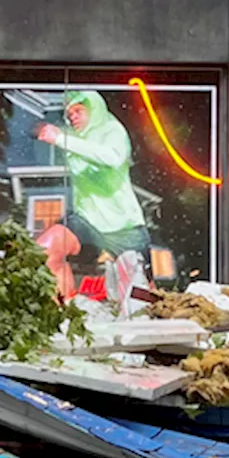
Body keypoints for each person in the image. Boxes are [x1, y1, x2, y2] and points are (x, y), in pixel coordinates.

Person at [34, 90, 151, 302]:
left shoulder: (111, 130)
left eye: (78, 110)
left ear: (95, 109)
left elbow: (113, 157)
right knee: (46, 250)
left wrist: (60, 138)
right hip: (86, 220)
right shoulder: (73, 139)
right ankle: (62, 314)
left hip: (123, 226)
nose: (73, 117)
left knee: (142, 295)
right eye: (69, 114)